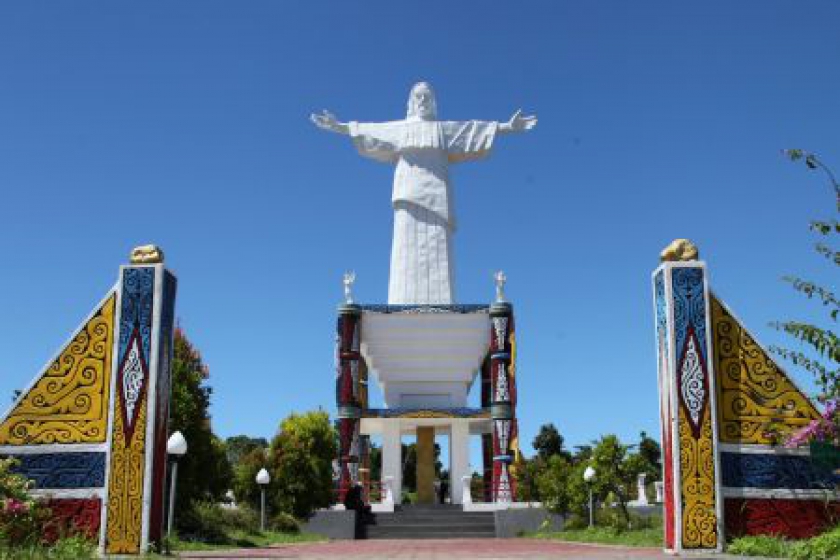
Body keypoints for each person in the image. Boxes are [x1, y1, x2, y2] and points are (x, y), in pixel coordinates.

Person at [311, 82, 536, 305]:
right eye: (417, 97)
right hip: (407, 195)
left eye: (426, 96)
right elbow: (371, 130)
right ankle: (400, 308)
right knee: (405, 251)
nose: (422, 101)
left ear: (434, 102)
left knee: (439, 249)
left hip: (438, 196)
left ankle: (441, 310)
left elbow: (470, 131)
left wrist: (506, 126)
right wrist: (340, 126)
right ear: (410, 102)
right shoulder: (400, 128)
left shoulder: (442, 129)